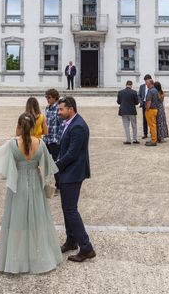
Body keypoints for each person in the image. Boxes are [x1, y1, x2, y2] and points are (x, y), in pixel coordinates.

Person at [0, 112, 63, 274]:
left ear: (19, 126)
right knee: (37, 219)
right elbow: (49, 168)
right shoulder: (40, 143)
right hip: (35, 183)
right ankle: (39, 255)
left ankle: (16, 258)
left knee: (17, 220)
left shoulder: (12, 144)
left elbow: (3, 164)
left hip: (18, 184)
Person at [56, 96, 96, 262]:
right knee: (67, 209)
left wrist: (55, 166)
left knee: (71, 210)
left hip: (72, 174)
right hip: (68, 173)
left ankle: (86, 248)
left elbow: (72, 154)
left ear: (70, 109)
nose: (59, 112)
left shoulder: (78, 126)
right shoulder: (72, 123)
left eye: (61, 109)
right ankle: (71, 240)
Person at [43, 89, 63, 161]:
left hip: (55, 141)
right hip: (47, 140)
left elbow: (62, 125)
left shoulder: (59, 108)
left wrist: (58, 139)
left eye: (49, 97)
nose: (47, 99)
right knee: (45, 162)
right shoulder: (47, 108)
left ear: (55, 97)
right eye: (46, 97)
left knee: (56, 162)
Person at [117, 80, 139, 144]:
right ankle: (134, 139)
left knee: (126, 126)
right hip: (132, 111)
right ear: (131, 85)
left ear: (126, 84)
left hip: (123, 111)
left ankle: (128, 140)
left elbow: (118, 102)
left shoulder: (120, 92)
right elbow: (137, 102)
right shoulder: (134, 92)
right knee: (134, 125)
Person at [144, 77, 160, 147]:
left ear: (150, 83)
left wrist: (147, 109)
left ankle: (153, 140)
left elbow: (149, 101)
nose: (146, 84)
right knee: (153, 125)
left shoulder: (150, 91)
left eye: (146, 83)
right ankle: (154, 139)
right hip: (155, 109)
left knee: (152, 126)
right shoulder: (155, 90)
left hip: (151, 110)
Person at [138, 74, 152, 139]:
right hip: (144, 104)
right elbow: (139, 95)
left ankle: (152, 133)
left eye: (147, 81)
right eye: (145, 81)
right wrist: (141, 102)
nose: (146, 82)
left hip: (151, 105)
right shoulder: (142, 86)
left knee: (151, 120)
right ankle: (145, 134)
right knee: (145, 120)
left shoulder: (153, 87)